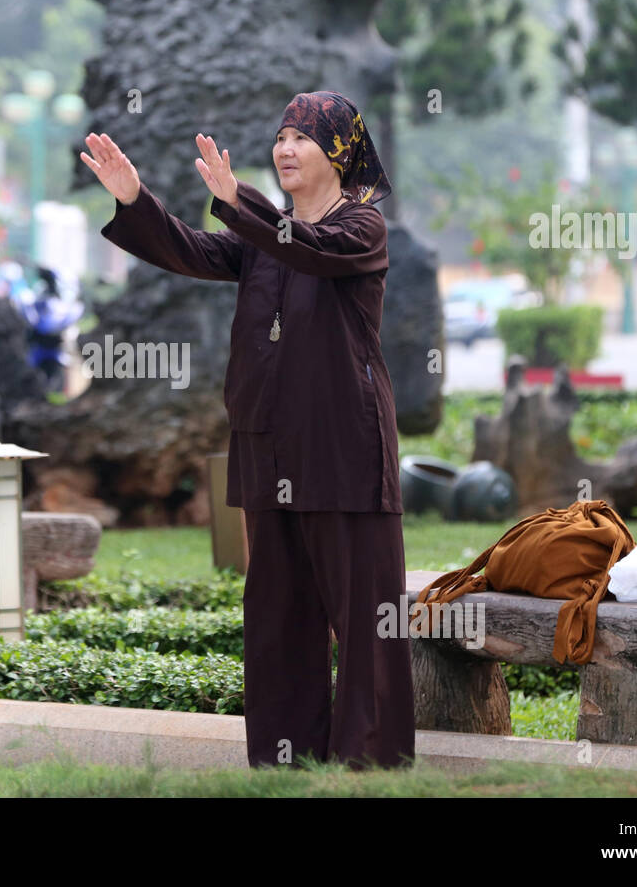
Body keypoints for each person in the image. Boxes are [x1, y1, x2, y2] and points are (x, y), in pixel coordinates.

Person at [80, 91, 415, 771]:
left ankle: (370, 765)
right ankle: (286, 763)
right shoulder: (263, 238)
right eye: (281, 136)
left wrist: (242, 203)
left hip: (344, 451)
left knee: (364, 618)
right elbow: (192, 250)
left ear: (340, 152)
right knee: (279, 618)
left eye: (303, 137)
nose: (285, 148)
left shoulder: (362, 228)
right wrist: (135, 200)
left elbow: (310, 248)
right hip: (272, 450)